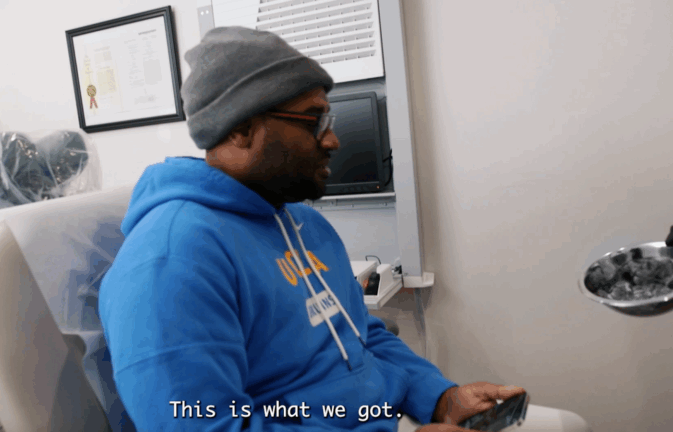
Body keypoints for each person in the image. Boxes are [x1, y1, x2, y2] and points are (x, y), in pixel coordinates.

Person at [99, 27, 525, 431]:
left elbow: (361, 335)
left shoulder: (305, 225)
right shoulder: (170, 260)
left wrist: (440, 398)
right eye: (313, 121)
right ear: (241, 129)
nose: (333, 140)